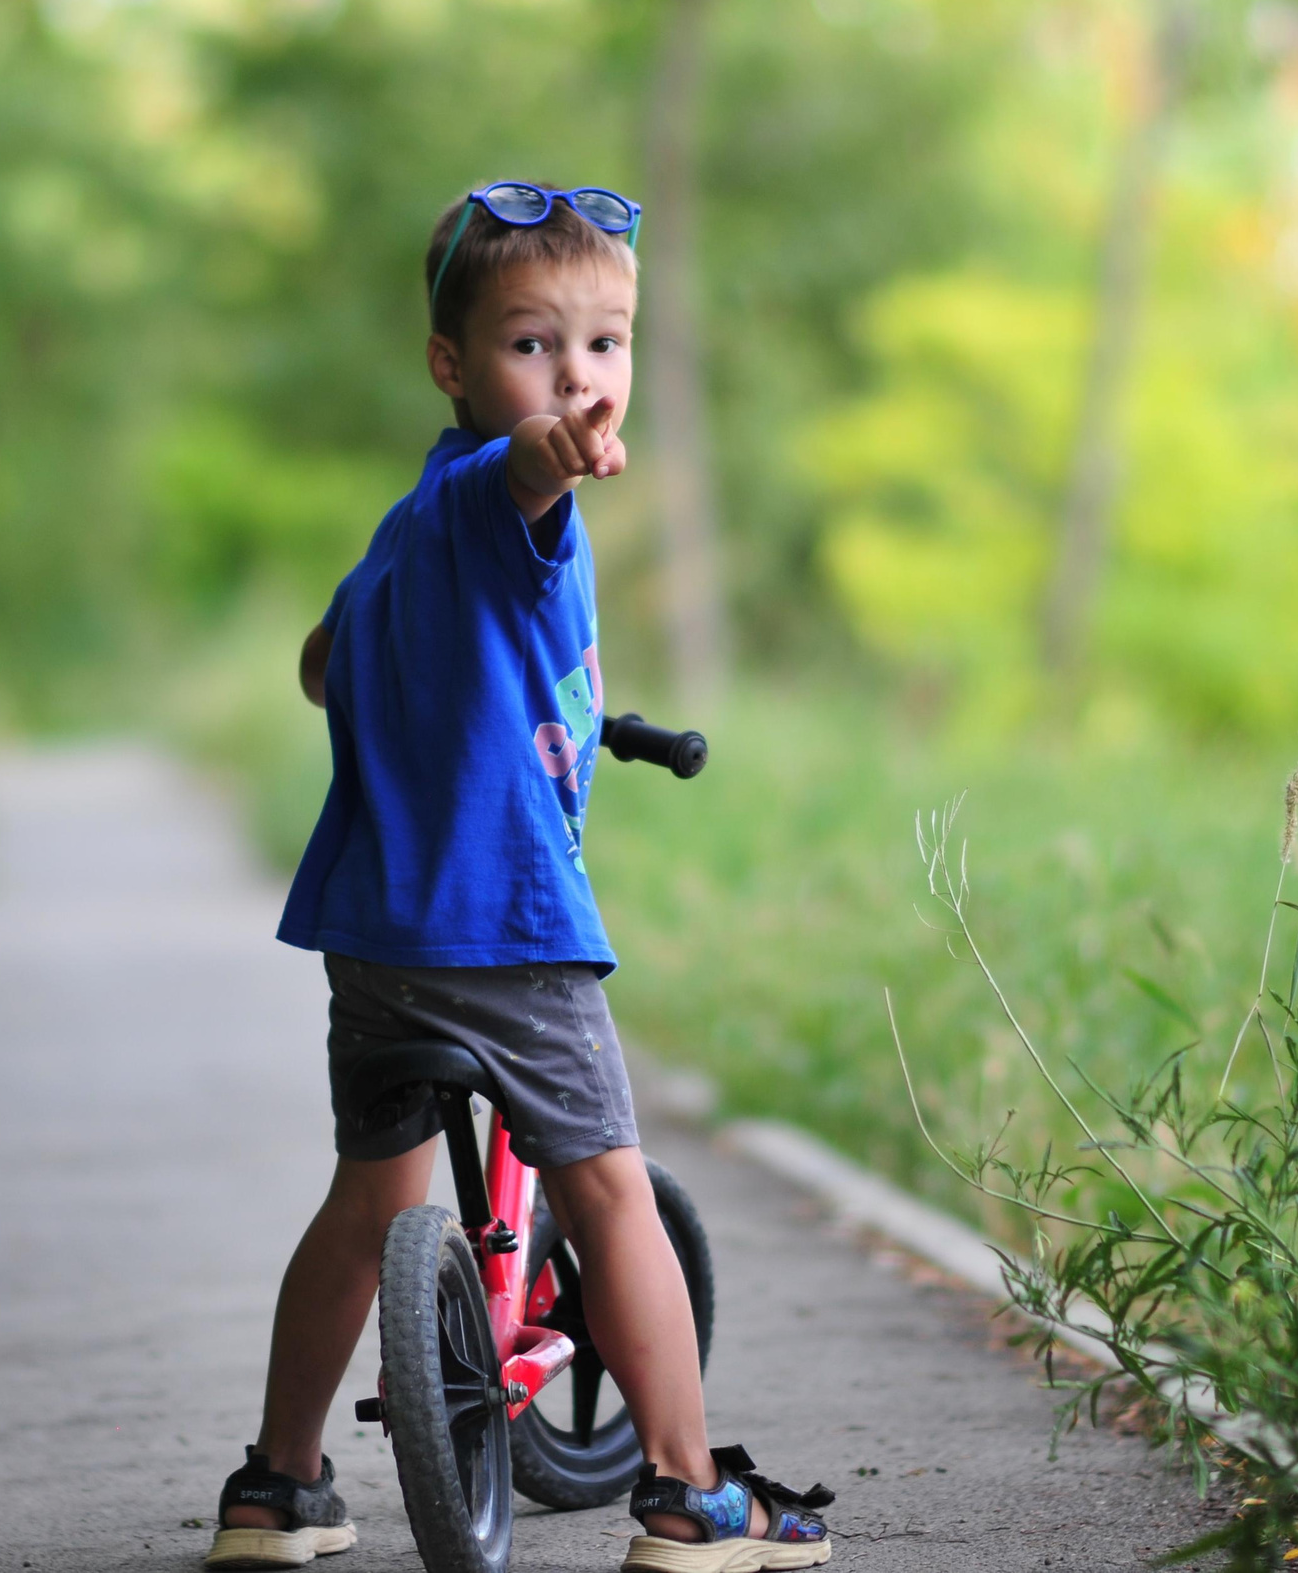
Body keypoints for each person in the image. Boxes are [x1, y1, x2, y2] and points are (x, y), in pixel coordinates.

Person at [201, 183, 837, 1573]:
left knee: (370, 1200)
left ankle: (278, 1483)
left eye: (605, 346)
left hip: (374, 937)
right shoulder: (505, 494)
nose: (576, 377)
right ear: (453, 362)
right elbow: (532, 479)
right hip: (504, 931)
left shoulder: (406, 526)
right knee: (609, 1187)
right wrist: (559, 450)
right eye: (533, 345)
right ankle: (688, 1492)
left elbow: (325, 661)